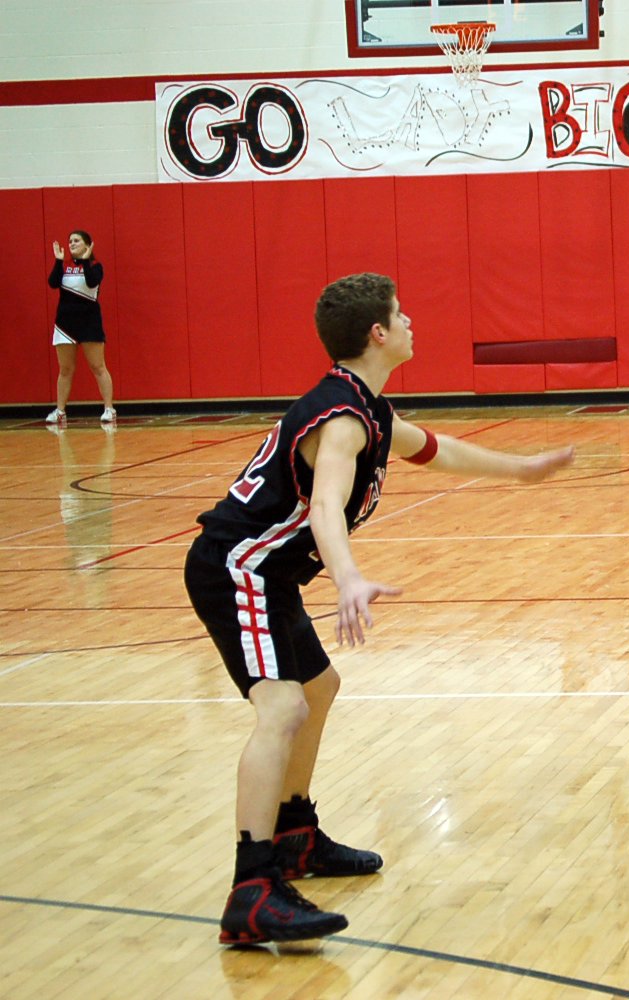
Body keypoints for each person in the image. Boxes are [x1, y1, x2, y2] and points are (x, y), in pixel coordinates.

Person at [185, 272, 574, 944]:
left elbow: (437, 451)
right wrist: (348, 578)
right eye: (401, 313)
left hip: (269, 574)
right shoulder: (341, 420)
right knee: (282, 709)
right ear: (377, 332)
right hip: (237, 569)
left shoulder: (368, 408)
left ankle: (296, 835)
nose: (411, 321)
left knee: (318, 687)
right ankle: (252, 888)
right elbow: (326, 506)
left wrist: (522, 469)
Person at [46, 231, 116, 424]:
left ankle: (109, 409)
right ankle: (60, 411)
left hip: (89, 323)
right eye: (70, 241)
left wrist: (85, 260)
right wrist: (58, 261)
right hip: (65, 324)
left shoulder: (95, 266)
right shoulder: (64, 265)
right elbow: (52, 283)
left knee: (98, 366)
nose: (72, 244)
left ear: (87, 245)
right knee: (65, 369)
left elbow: (91, 282)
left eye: (76, 241)